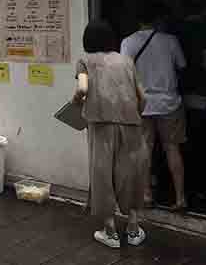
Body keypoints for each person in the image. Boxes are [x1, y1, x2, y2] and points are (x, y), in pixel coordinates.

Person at [75, 20, 147, 249]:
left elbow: (83, 89)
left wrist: (76, 103)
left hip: (101, 124)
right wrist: (135, 115)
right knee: (131, 173)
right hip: (131, 123)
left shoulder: (85, 61)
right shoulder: (126, 61)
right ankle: (134, 229)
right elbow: (142, 97)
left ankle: (111, 232)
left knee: (102, 175)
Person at [121, 2, 188, 211]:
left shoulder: (128, 42)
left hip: (142, 104)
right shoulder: (170, 40)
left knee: (145, 149)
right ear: (158, 19)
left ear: (138, 20)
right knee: (172, 149)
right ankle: (180, 199)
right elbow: (183, 66)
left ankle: (147, 196)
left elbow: (124, 72)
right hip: (169, 103)